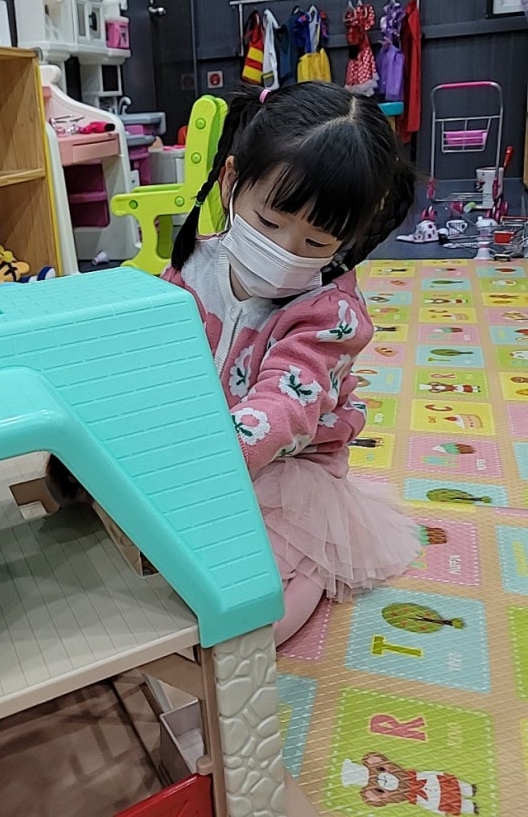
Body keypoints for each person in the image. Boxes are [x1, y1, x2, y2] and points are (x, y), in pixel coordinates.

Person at [162, 81, 421, 646]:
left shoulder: (330, 312)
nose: (285, 251)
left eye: (316, 242)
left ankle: (311, 565)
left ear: (348, 239)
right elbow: (159, 353)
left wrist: (207, 459)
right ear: (231, 181)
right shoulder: (197, 262)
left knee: (255, 615)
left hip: (289, 470)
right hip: (200, 453)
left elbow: (286, 406)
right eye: (270, 222)